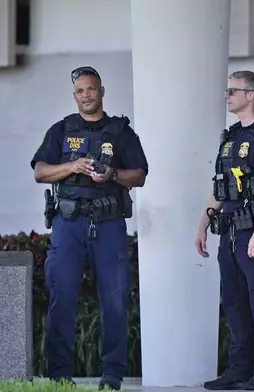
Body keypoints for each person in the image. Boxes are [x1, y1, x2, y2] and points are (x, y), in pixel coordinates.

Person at [30, 66, 149, 391]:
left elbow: (139, 175)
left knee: (114, 299)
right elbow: (40, 171)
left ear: (101, 91)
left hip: (108, 224)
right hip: (68, 224)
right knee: (62, 298)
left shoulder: (120, 131)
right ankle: (59, 377)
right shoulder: (62, 129)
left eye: (91, 89)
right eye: (81, 90)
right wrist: (72, 166)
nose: (86, 95)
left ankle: (111, 376)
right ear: (75, 95)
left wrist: (111, 174)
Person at [195, 70, 254, 391]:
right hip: (229, 232)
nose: (227, 95)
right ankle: (239, 368)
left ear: (252, 95)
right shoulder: (231, 137)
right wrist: (204, 224)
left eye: (233, 90)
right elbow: (220, 186)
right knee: (233, 301)